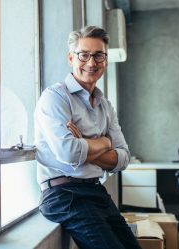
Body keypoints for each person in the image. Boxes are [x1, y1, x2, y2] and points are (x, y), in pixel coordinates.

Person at [34, 26, 141, 249]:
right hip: (64, 194)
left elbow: (123, 159)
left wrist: (84, 143)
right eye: (84, 55)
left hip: (95, 190)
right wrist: (104, 142)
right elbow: (68, 152)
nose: (91, 63)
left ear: (106, 60)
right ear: (71, 57)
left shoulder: (105, 105)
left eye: (98, 55)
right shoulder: (55, 97)